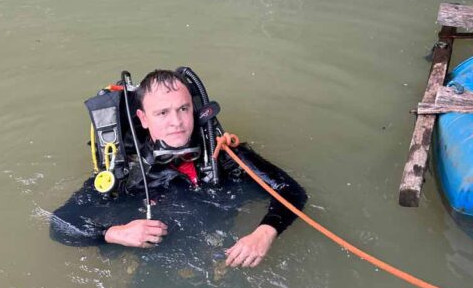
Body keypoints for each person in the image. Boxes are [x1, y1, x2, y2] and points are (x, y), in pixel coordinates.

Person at [50, 69, 306, 268]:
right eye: (162, 113)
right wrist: (114, 233)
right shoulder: (126, 173)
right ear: (143, 119)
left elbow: (290, 191)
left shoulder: (224, 157)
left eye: (183, 109)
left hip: (222, 261)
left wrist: (264, 233)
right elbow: (60, 224)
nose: (177, 122)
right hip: (156, 272)